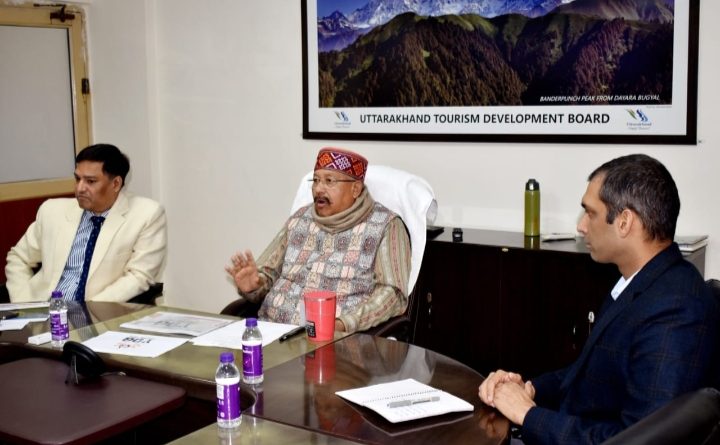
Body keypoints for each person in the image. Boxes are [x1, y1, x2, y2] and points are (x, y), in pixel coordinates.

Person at [478, 154, 720, 444]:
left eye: (590, 213)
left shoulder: (676, 308)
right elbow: (588, 375)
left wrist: (528, 415)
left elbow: (638, 439)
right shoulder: (640, 282)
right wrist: (526, 388)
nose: (581, 226)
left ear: (624, 222)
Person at [226, 147, 411, 333]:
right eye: (315, 181)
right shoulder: (300, 218)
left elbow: (392, 295)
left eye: (329, 181)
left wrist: (343, 323)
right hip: (270, 331)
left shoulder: (385, 225)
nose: (319, 189)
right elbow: (268, 274)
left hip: (331, 340)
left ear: (355, 189)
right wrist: (254, 285)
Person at [6, 144, 167, 303]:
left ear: (116, 184)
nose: (80, 188)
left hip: (98, 311)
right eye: (77, 179)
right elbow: (19, 258)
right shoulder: (52, 211)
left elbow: (139, 276)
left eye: (90, 181)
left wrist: (88, 311)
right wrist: (24, 303)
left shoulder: (146, 214)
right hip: (46, 309)